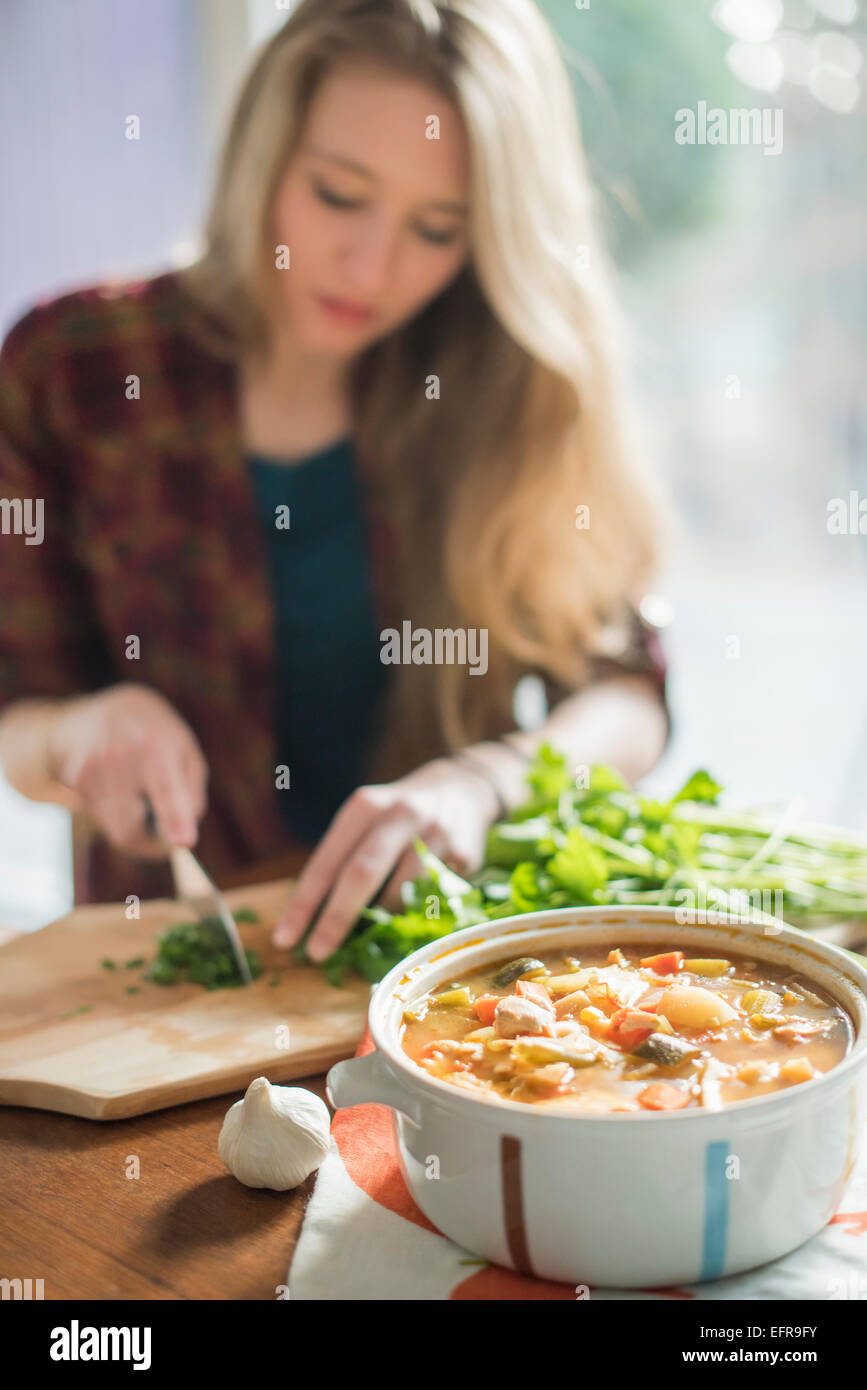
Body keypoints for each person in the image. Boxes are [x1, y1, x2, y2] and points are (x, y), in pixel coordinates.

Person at [0, 0, 670, 966]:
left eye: (438, 229)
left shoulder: (504, 388)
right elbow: (18, 711)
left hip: (452, 979)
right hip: (167, 977)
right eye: (338, 195)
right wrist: (80, 731)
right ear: (264, 153)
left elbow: (630, 694)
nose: (371, 265)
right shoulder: (74, 367)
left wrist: (483, 784)